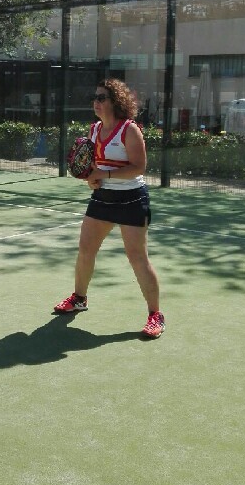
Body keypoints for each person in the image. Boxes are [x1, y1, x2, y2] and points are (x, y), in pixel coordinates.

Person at [54, 78, 165, 339]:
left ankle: (155, 315)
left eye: (102, 98)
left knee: (137, 258)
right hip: (102, 198)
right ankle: (79, 298)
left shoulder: (129, 130)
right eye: (95, 98)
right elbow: (94, 167)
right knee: (85, 250)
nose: (96, 102)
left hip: (132, 200)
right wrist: (91, 180)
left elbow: (139, 167)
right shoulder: (93, 130)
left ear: (115, 102)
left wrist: (104, 174)